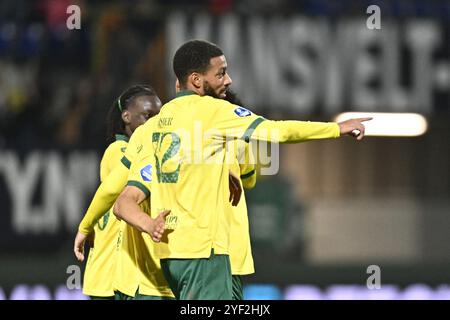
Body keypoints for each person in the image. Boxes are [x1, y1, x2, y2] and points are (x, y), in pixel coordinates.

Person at [112, 39, 371, 300]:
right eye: (221, 73)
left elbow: (123, 202)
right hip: (205, 253)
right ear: (196, 80)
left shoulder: (153, 128)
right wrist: (336, 128)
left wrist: (149, 225)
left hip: (171, 256)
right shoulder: (214, 111)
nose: (229, 80)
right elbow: (277, 131)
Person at [78, 85, 173, 300]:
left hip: (117, 272)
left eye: (160, 116)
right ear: (127, 117)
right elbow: (113, 191)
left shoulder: (138, 150)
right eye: (148, 116)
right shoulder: (118, 151)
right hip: (110, 274)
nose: (154, 123)